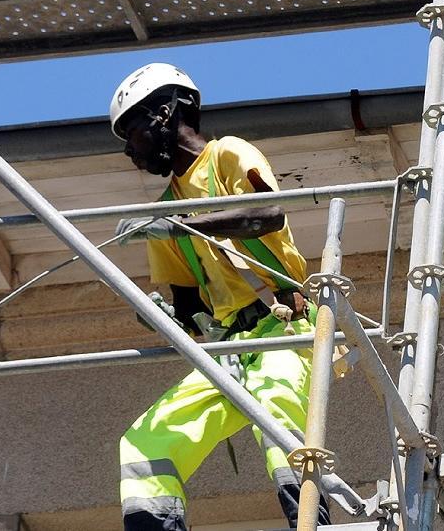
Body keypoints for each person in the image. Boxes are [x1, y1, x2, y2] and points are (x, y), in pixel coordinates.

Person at [109, 63, 330, 530]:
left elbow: (266, 214)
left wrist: (179, 224)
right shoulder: (164, 211)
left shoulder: (227, 155)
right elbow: (190, 308)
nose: (130, 151)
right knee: (146, 444)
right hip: (228, 347)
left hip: (280, 326)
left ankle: (312, 525)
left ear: (166, 113)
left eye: (132, 132)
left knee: (277, 420)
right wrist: (160, 314)